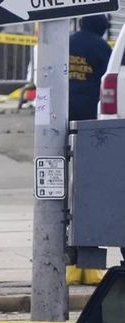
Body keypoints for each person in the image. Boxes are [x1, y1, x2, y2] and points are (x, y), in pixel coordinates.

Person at [67, 15, 112, 286]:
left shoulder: (66, 42)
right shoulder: (101, 48)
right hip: (90, 114)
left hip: (63, 110)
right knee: (91, 172)